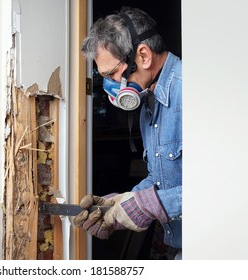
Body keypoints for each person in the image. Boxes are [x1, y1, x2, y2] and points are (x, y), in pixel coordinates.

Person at [73, 6, 182, 260]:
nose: (110, 84)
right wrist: (122, 204)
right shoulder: (149, 100)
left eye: (112, 73)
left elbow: (223, 189)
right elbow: (163, 179)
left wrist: (146, 206)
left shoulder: (192, 92)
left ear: (142, 56)